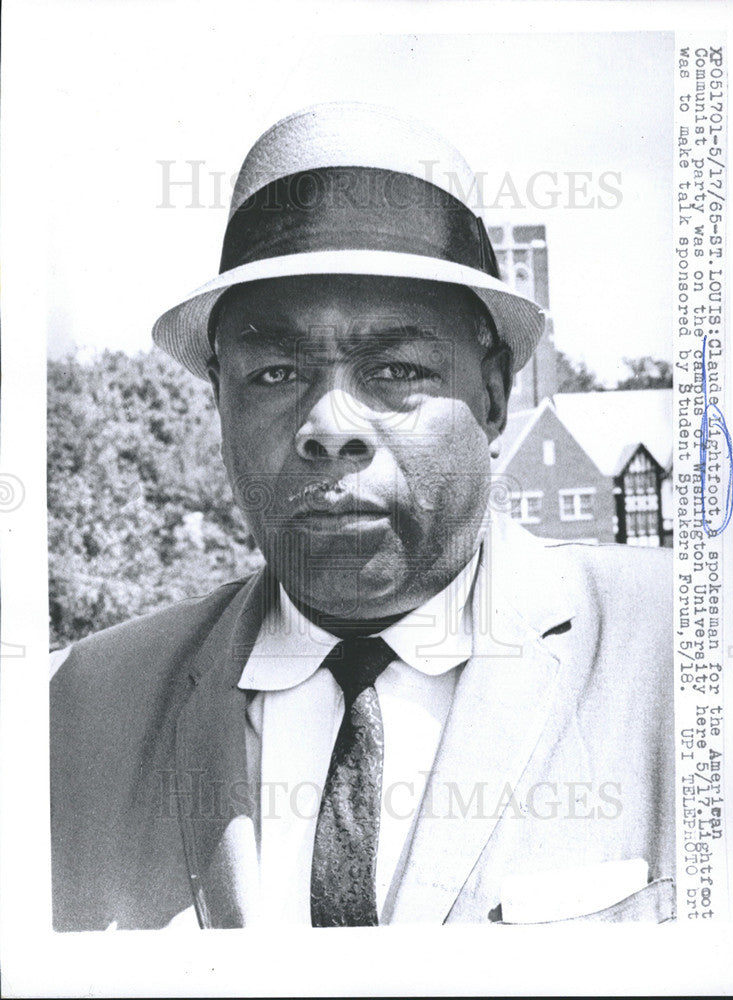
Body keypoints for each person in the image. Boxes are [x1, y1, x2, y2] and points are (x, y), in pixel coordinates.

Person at [50, 103, 675, 930]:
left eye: (394, 368)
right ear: (219, 401)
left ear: (493, 396)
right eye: (274, 373)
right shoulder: (71, 714)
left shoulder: (689, 654)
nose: (328, 427)